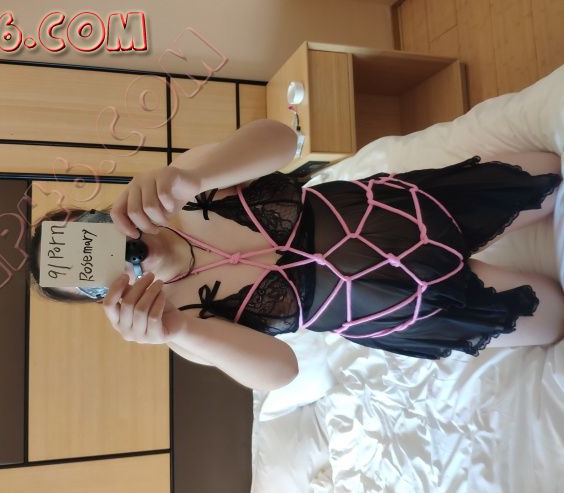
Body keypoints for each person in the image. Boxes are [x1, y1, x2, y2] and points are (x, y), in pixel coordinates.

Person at [29, 119, 563, 392]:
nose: (104, 254)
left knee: (549, 173)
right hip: (402, 304)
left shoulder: (181, 188)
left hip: (408, 210)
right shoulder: (177, 322)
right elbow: (281, 372)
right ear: (103, 297)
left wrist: (193, 174)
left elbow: (284, 141)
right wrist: (177, 330)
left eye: (88, 236)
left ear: (99, 216)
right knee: (554, 316)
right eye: (88, 274)